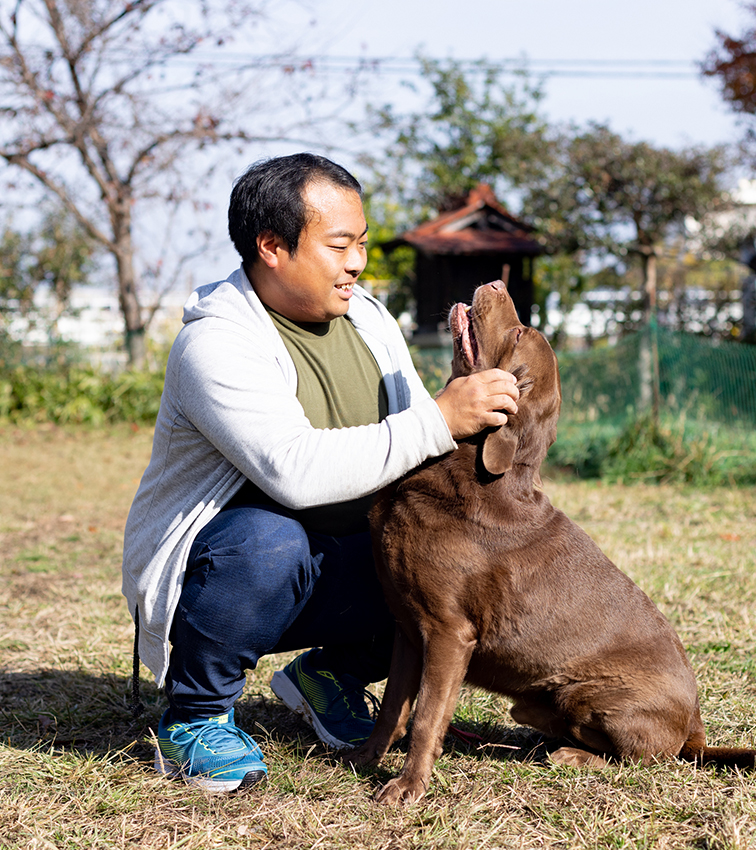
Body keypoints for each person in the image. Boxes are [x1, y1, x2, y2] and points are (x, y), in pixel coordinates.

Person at [122, 153, 520, 793]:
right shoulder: (218, 342)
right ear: (273, 246)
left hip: (343, 560)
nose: (357, 262)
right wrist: (444, 417)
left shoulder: (368, 319)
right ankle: (195, 716)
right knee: (269, 541)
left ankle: (331, 673)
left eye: (360, 243)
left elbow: (420, 436)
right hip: (234, 573)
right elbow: (295, 473)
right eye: (339, 245)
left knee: (452, 550)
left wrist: (469, 405)